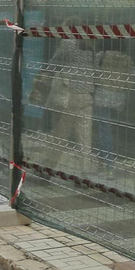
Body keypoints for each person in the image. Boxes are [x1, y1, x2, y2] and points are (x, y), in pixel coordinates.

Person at [47, 39, 97, 171]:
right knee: (85, 140)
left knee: (60, 135)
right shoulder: (90, 46)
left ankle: (47, 168)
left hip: (70, 95)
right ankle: (85, 176)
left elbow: (53, 62)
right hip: (87, 95)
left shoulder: (68, 43)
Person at [92, 44, 134, 173]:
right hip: (119, 98)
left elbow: (94, 74)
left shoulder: (102, 56)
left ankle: (108, 163)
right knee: (109, 130)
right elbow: (130, 79)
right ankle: (102, 162)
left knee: (104, 131)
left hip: (103, 97)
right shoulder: (127, 59)